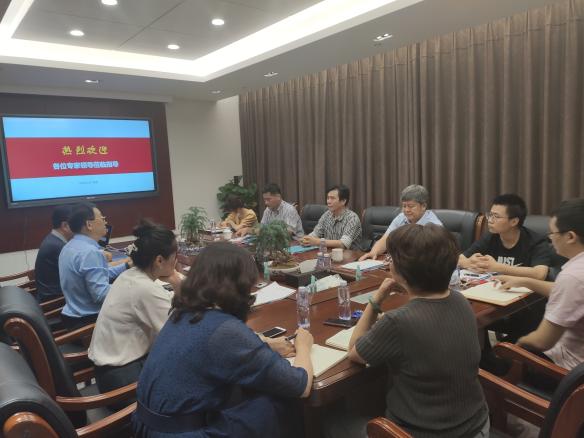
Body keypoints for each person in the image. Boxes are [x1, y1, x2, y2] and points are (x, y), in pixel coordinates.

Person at [133, 242, 314, 437]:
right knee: (275, 401)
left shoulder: (183, 312)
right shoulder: (226, 331)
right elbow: (300, 385)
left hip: (146, 425)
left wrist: (264, 345)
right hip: (184, 432)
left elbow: (209, 344)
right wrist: (303, 345)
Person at [326, 224, 489, 437]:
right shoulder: (461, 300)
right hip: (476, 426)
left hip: (418, 433)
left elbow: (354, 352)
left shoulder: (398, 321)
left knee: (330, 422)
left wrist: (376, 300)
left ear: (400, 272)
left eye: (391, 259)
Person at [88, 219, 181, 395]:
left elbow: (162, 304)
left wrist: (176, 286)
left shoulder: (130, 275)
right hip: (123, 380)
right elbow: (178, 333)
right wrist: (178, 284)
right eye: (175, 256)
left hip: (109, 372)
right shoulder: (144, 288)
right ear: (159, 260)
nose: (176, 261)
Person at [496, 199, 584, 370]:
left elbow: (542, 341)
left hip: (566, 372)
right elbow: (571, 293)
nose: (549, 238)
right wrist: (525, 281)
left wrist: (517, 344)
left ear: (570, 237)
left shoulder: (572, 277)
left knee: (495, 358)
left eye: (552, 233)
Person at [59, 203, 129, 330]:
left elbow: (99, 275)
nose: (105, 222)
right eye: (102, 218)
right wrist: (131, 286)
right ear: (89, 225)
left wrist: (126, 265)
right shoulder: (90, 252)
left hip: (72, 317)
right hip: (89, 322)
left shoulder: (69, 246)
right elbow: (101, 295)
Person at [459, 194, 551, 280]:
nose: (490, 220)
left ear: (514, 221)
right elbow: (460, 258)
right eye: (490, 215)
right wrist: (469, 263)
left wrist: (498, 267)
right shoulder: (490, 237)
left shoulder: (536, 241)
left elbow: (540, 274)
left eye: (496, 216)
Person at [359, 184, 443, 261]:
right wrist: (374, 252)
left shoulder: (435, 226)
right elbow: (386, 238)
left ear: (423, 206)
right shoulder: (401, 217)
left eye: (411, 206)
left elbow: (434, 257)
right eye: (404, 206)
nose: (406, 210)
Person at [300, 184, 362, 250]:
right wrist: (306, 239)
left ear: (343, 201)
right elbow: (315, 234)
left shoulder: (352, 218)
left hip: (351, 254)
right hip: (329, 253)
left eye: (332, 198)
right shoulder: (326, 215)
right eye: (328, 198)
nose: (328, 201)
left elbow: (343, 244)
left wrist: (317, 242)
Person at [34, 205, 74, 303]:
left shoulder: (53, 240)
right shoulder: (58, 247)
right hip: (55, 301)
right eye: (77, 223)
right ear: (65, 226)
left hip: (51, 295)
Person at [238, 183, 304, 239]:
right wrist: (248, 230)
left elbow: (287, 233)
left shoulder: (290, 210)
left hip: (296, 243)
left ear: (278, 197)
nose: (266, 203)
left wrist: (263, 232)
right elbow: (261, 228)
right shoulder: (267, 210)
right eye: (264, 200)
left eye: (268, 199)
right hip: (275, 242)